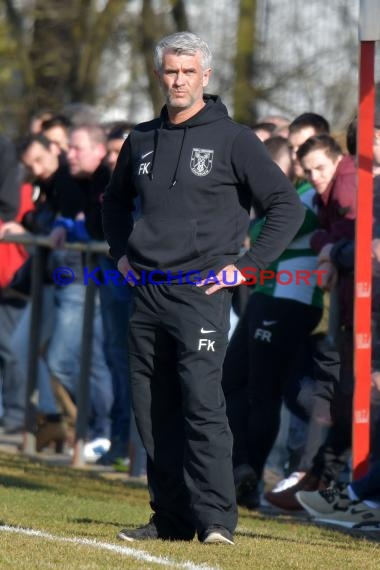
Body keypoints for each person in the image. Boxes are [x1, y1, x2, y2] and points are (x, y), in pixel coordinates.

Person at [102, 31, 304, 545]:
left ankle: (216, 520)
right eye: (171, 70)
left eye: (189, 71)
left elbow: (287, 205)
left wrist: (249, 265)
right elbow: (113, 202)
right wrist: (121, 254)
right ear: (159, 74)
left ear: (206, 76)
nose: (179, 80)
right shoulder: (141, 138)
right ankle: (170, 518)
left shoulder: (235, 139)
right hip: (146, 292)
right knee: (152, 412)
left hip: (202, 293)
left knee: (202, 405)